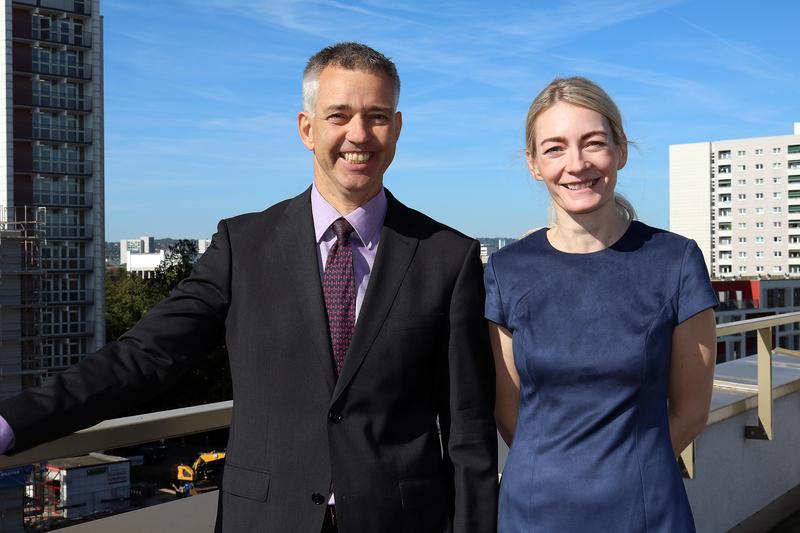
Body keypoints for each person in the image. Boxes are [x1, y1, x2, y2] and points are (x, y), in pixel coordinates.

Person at [0, 42, 498, 533]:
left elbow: (468, 429)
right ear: (306, 129)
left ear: (398, 128)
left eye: (378, 116)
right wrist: (12, 422)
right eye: (338, 115)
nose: (359, 134)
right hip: (263, 517)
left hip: (401, 519)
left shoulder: (446, 257)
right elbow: (143, 358)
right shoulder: (244, 246)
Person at [485, 76, 717, 532]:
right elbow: (509, 413)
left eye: (593, 143)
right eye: (554, 148)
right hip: (535, 512)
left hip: (646, 509)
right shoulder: (506, 271)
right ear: (533, 163)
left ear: (621, 151)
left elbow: (691, 412)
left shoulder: (675, 261)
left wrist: (630, 473)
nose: (576, 164)